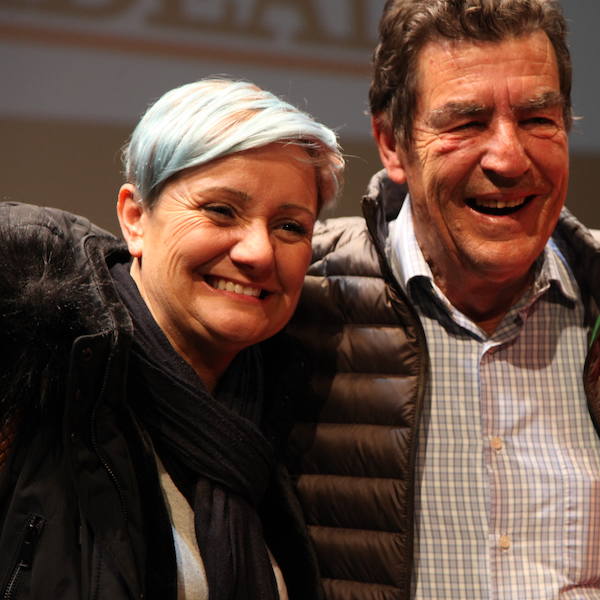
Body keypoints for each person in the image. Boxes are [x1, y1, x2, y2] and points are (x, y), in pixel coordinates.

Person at [286, 1, 600, 598]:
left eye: (538, 119)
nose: (508, 158)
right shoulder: (300, 298)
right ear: (392, 143)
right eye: (466, 123)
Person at [0, 77, 343, 599]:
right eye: (221, 210)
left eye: (290, 227)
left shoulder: (279, 413)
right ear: (135, 219)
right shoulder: (32, 374)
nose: (259, 253)